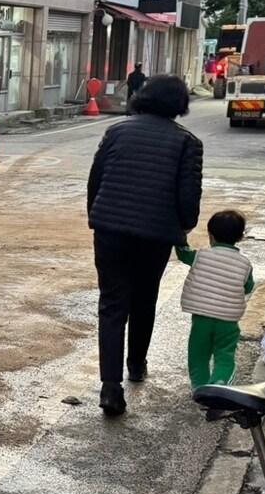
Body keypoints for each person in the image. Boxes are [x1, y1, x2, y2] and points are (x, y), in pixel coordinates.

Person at [87, 76, 204, 416]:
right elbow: (188, 198)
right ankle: (136, 365)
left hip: (109, 230)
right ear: (179, 104)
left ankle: (110, 387)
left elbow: (96, 180)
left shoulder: (117, 131)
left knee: (111, 304)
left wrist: (97, 215)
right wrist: (184, 227)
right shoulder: (187, 142)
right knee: (144, 298)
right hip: (155, 235)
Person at [177, 210, 253, 388]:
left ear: (210, 235)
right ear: (240, 237)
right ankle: (219, 384)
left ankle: (200, 388)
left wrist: (179, 236)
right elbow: (248, 287)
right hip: (228, 321)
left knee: (198, 355)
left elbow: (183, 253)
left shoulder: (200, 256)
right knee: (225, 356)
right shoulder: (245, 264)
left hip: (201, 318)